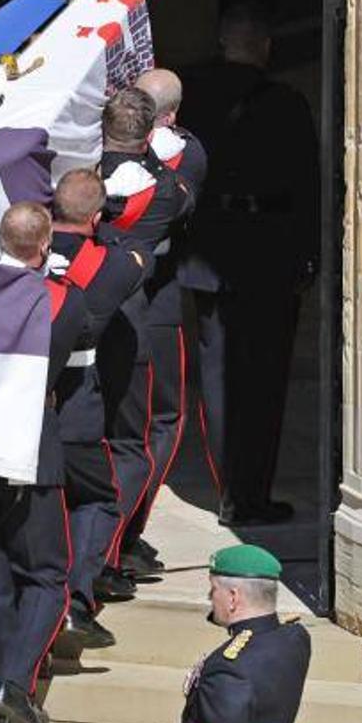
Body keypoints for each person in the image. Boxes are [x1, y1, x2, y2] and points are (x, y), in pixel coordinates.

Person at [0, 202, 86, 723]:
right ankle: (16, 683)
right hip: (29, 450)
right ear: (46, 241)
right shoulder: (61, 303)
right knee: (48, 575)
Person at [178, 3, 320, 526]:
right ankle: (249, 493)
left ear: (222, 45)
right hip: (268, 253)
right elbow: (308, 183)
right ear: (264, 48)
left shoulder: (195, 99)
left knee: (215, 379)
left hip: (210, 250)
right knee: (261, 381)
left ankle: (225, 489)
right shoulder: (285, 101)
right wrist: (310, 255)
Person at [96, 87, 194, 576]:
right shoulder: (162, 189)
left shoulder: (83, 176)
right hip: (133, 314)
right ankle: (110, 550)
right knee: (139, 436)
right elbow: (181, 197)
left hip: (81, 311)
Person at [113, 68, 208, 570]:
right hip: (141, 305)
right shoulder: (152, 152)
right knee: (156, 421)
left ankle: (125, 529)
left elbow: (176, 208)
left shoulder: (186, 153)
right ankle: (118, 538)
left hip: (156, 298)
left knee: (155, 422)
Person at [48, 169, 147, 646]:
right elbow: (137, 257)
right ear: (94, 215)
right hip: (73, 404)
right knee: (98, 499)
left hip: (21, 400)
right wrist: (105, 220)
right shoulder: (115, 266)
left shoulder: (23, 251)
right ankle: (76, 600)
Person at [174, 544, 311, 723]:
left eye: (214, 590)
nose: (210, 597)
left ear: (233, 597)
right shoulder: (294, 639)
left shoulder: (228, 669)